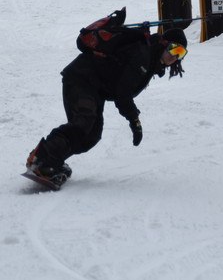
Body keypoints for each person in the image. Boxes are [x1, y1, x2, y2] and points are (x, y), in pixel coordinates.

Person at [26, 26, 188, 186]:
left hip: (95, 87)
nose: (175, 56)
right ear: (163, 44)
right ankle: (42, 160)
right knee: (83, 123)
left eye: (181, 53)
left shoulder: (151, 60)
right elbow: (122, 93)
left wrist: (134, 119)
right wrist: (134, 121)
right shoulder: (143, 54)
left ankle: (53, 161)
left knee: (91, 136)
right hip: (81, 78)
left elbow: (121, 89)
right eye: (174, 49)